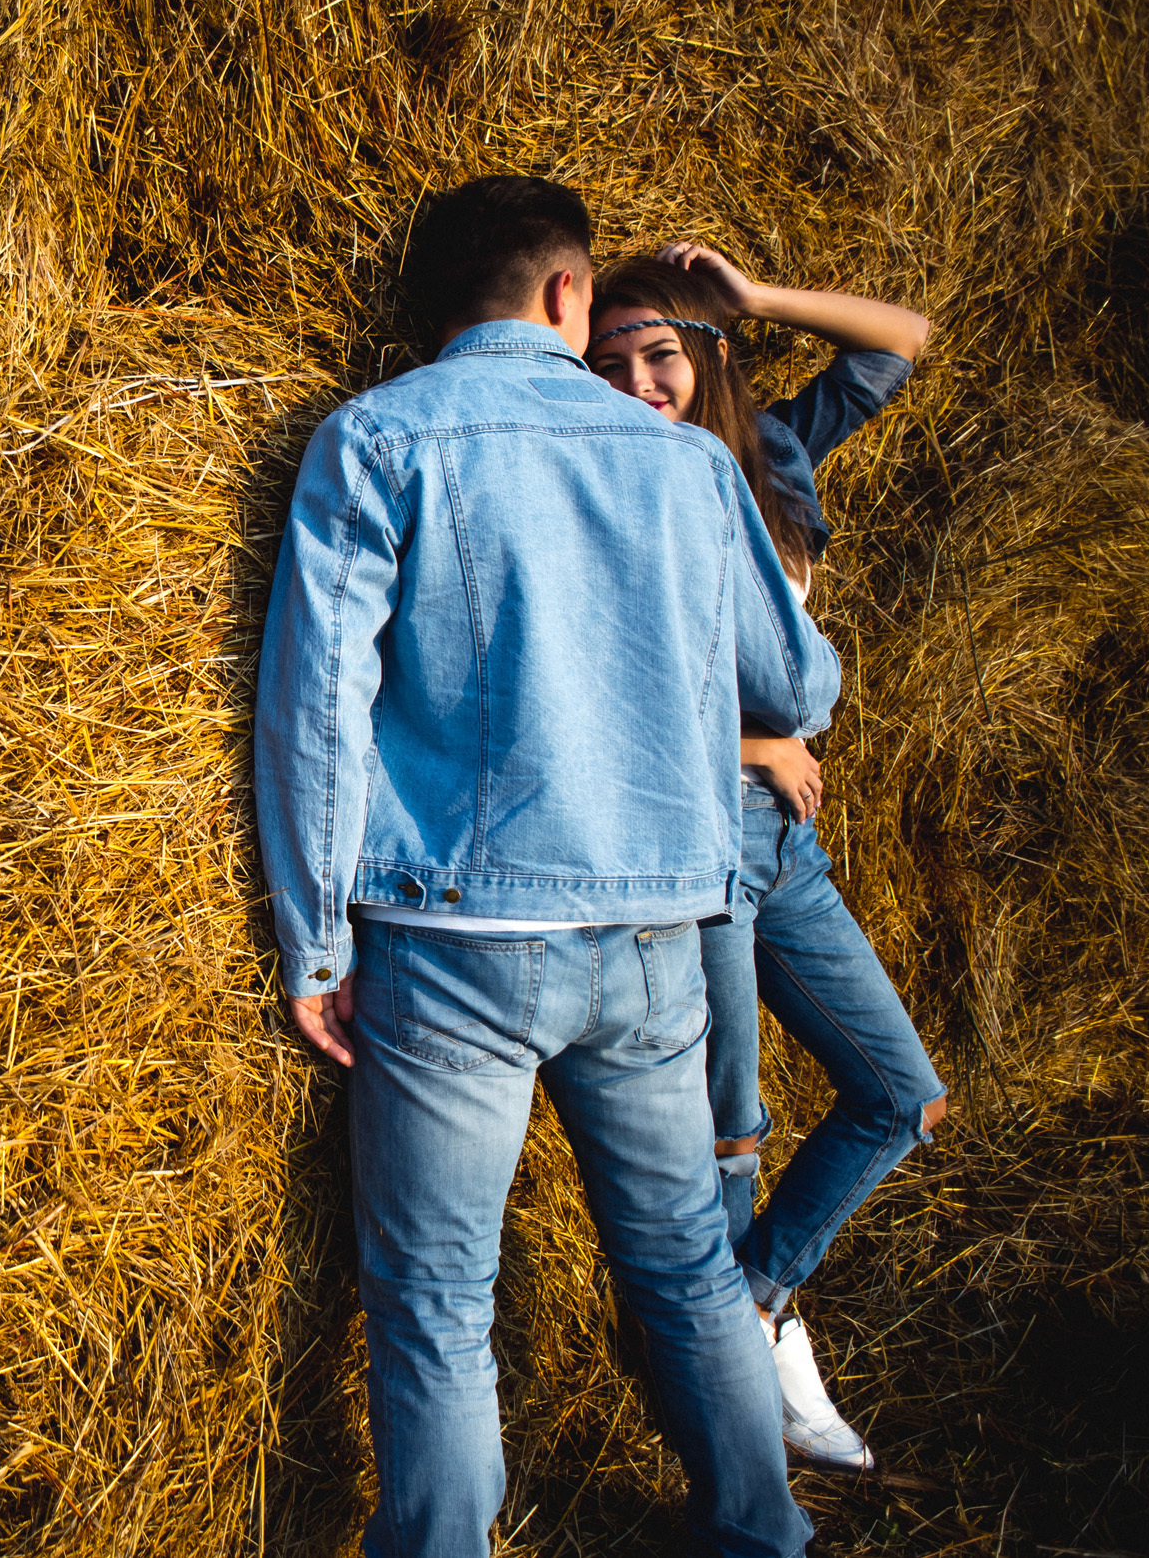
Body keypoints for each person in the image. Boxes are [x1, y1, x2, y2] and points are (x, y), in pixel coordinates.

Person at [255, 176, 838, 1558]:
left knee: (436, 1297)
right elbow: (798, 685)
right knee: (685, 1264)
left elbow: (320, 710)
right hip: (655, 940)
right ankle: (763, 1535)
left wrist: (315, 944)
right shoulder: (690, 465)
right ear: (570, 292)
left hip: (452, 940)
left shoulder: (375, 437)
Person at [586, 246, 949, 1473]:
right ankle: (731, 1453)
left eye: (661, 354)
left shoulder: (774, 451)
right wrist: (756, 741)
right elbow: (589, 684)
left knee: (902, 1095)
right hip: (701, 828)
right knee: (727, 1136)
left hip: (788, 843)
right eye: (609, 365)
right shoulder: (605, 485)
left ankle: (750, 1312)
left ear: (712, 354)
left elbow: (900, 339)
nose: (639, 385)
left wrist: (752, 298)